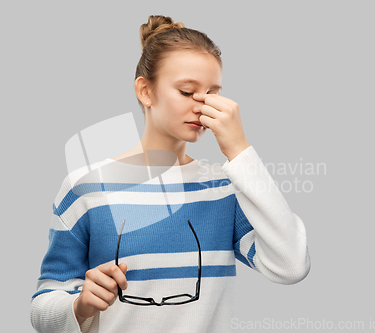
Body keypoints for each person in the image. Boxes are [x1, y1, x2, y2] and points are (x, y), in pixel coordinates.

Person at [30, 15, 310, 333]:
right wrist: (78, 305)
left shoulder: (222, 189)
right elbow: (43, 308)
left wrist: (240, 150)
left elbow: (291, 265)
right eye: (188, 92)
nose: (202, 107)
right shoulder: (86, 188)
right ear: (145, 91)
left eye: (212, 93)